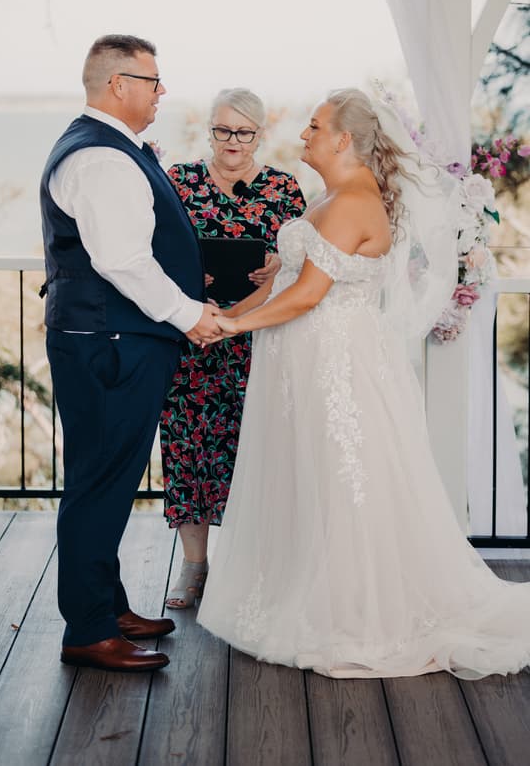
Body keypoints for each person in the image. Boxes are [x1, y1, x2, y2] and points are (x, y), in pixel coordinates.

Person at [198, 88, 530, 680]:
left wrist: (231, 330)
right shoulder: (330, 196)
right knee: (308, 477)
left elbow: (307, 295)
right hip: (302, 362)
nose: (303, 133)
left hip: (336, 366)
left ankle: (354, 613)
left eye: (314, 124)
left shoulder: (352, 201)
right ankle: (300, 593)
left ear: (343, 139)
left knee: (342, 479)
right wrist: (225, 313)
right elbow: (287, 282)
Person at [40, 34, 222, 673]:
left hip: (108, 339)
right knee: (100, 483)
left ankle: (107, 605)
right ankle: (89, 630)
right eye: (152, 80)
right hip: (112, 343)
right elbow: (121, 260)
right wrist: (190, 315)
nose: (161, 90)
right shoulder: (102, 160)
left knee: (107, 481)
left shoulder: (107, 149)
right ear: (118, 84)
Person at [160, 88, 306, 609]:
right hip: (192, 336)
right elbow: (155, 250)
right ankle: (194, 568)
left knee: (255, 450)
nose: (233, 142)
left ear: (260, 134)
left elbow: (299, 263)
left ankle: (257, 570)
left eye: (244, 132)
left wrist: (274, 268)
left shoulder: (284, 189)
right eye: (224, 130)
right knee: (188, 451)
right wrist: (185, 275)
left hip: (257, 338)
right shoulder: (178, 182)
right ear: (210, 130)